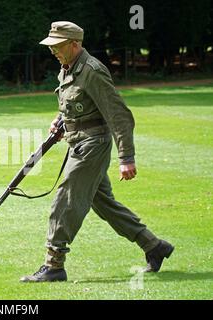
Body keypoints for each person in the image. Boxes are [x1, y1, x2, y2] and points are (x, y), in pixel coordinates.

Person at [20, 21, 174, 282]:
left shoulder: (92, 71)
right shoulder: (68, 68)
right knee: (104, 204)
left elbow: (119, 115)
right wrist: (61, 122)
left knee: (66, 198)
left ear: (75, 44)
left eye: (57, 46)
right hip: (78, 141)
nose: (53, 51)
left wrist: (126, 157)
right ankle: (154, 246)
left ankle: (54, 265)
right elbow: (75, 106)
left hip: (92, 145)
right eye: (51, 46)